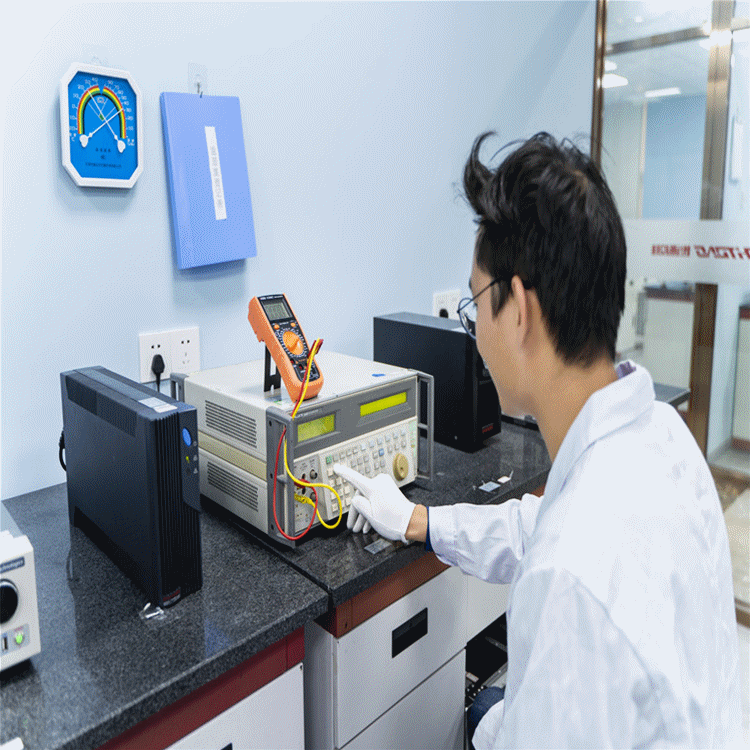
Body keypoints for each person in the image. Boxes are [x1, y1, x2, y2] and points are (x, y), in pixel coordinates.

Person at [333, 132, 743, 748]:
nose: (475, 331)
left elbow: (563, 548)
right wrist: (421, 521)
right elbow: (541, 525)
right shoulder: (663, 438)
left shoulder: (569, 577)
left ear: (519, 309)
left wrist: (491, 724)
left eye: (476, 304)